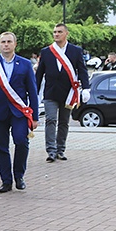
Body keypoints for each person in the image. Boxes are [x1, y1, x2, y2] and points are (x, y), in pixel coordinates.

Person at [0, 32, 39, 193]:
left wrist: (35, 116)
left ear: (14, 44)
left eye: (9, 41)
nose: (6, 44)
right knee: (1, 147)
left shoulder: (25, 64)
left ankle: (19, 176)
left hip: (19, 112)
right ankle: (6, 180)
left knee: (21, 141)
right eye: (3, 42)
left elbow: (32, 92)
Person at [35, 23, 91, 162]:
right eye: (54, 32)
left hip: (68, 93)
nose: (56, 34)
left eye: (59, 32)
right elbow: (39, 74)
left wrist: (85, 88)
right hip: (50, 92)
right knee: (51, 119)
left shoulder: (75, 51)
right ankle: (51, 150)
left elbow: (82, 70)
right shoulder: (47, 51)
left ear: (66, 33)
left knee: (64, 122)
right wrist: (34, 92)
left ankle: (61, 149)